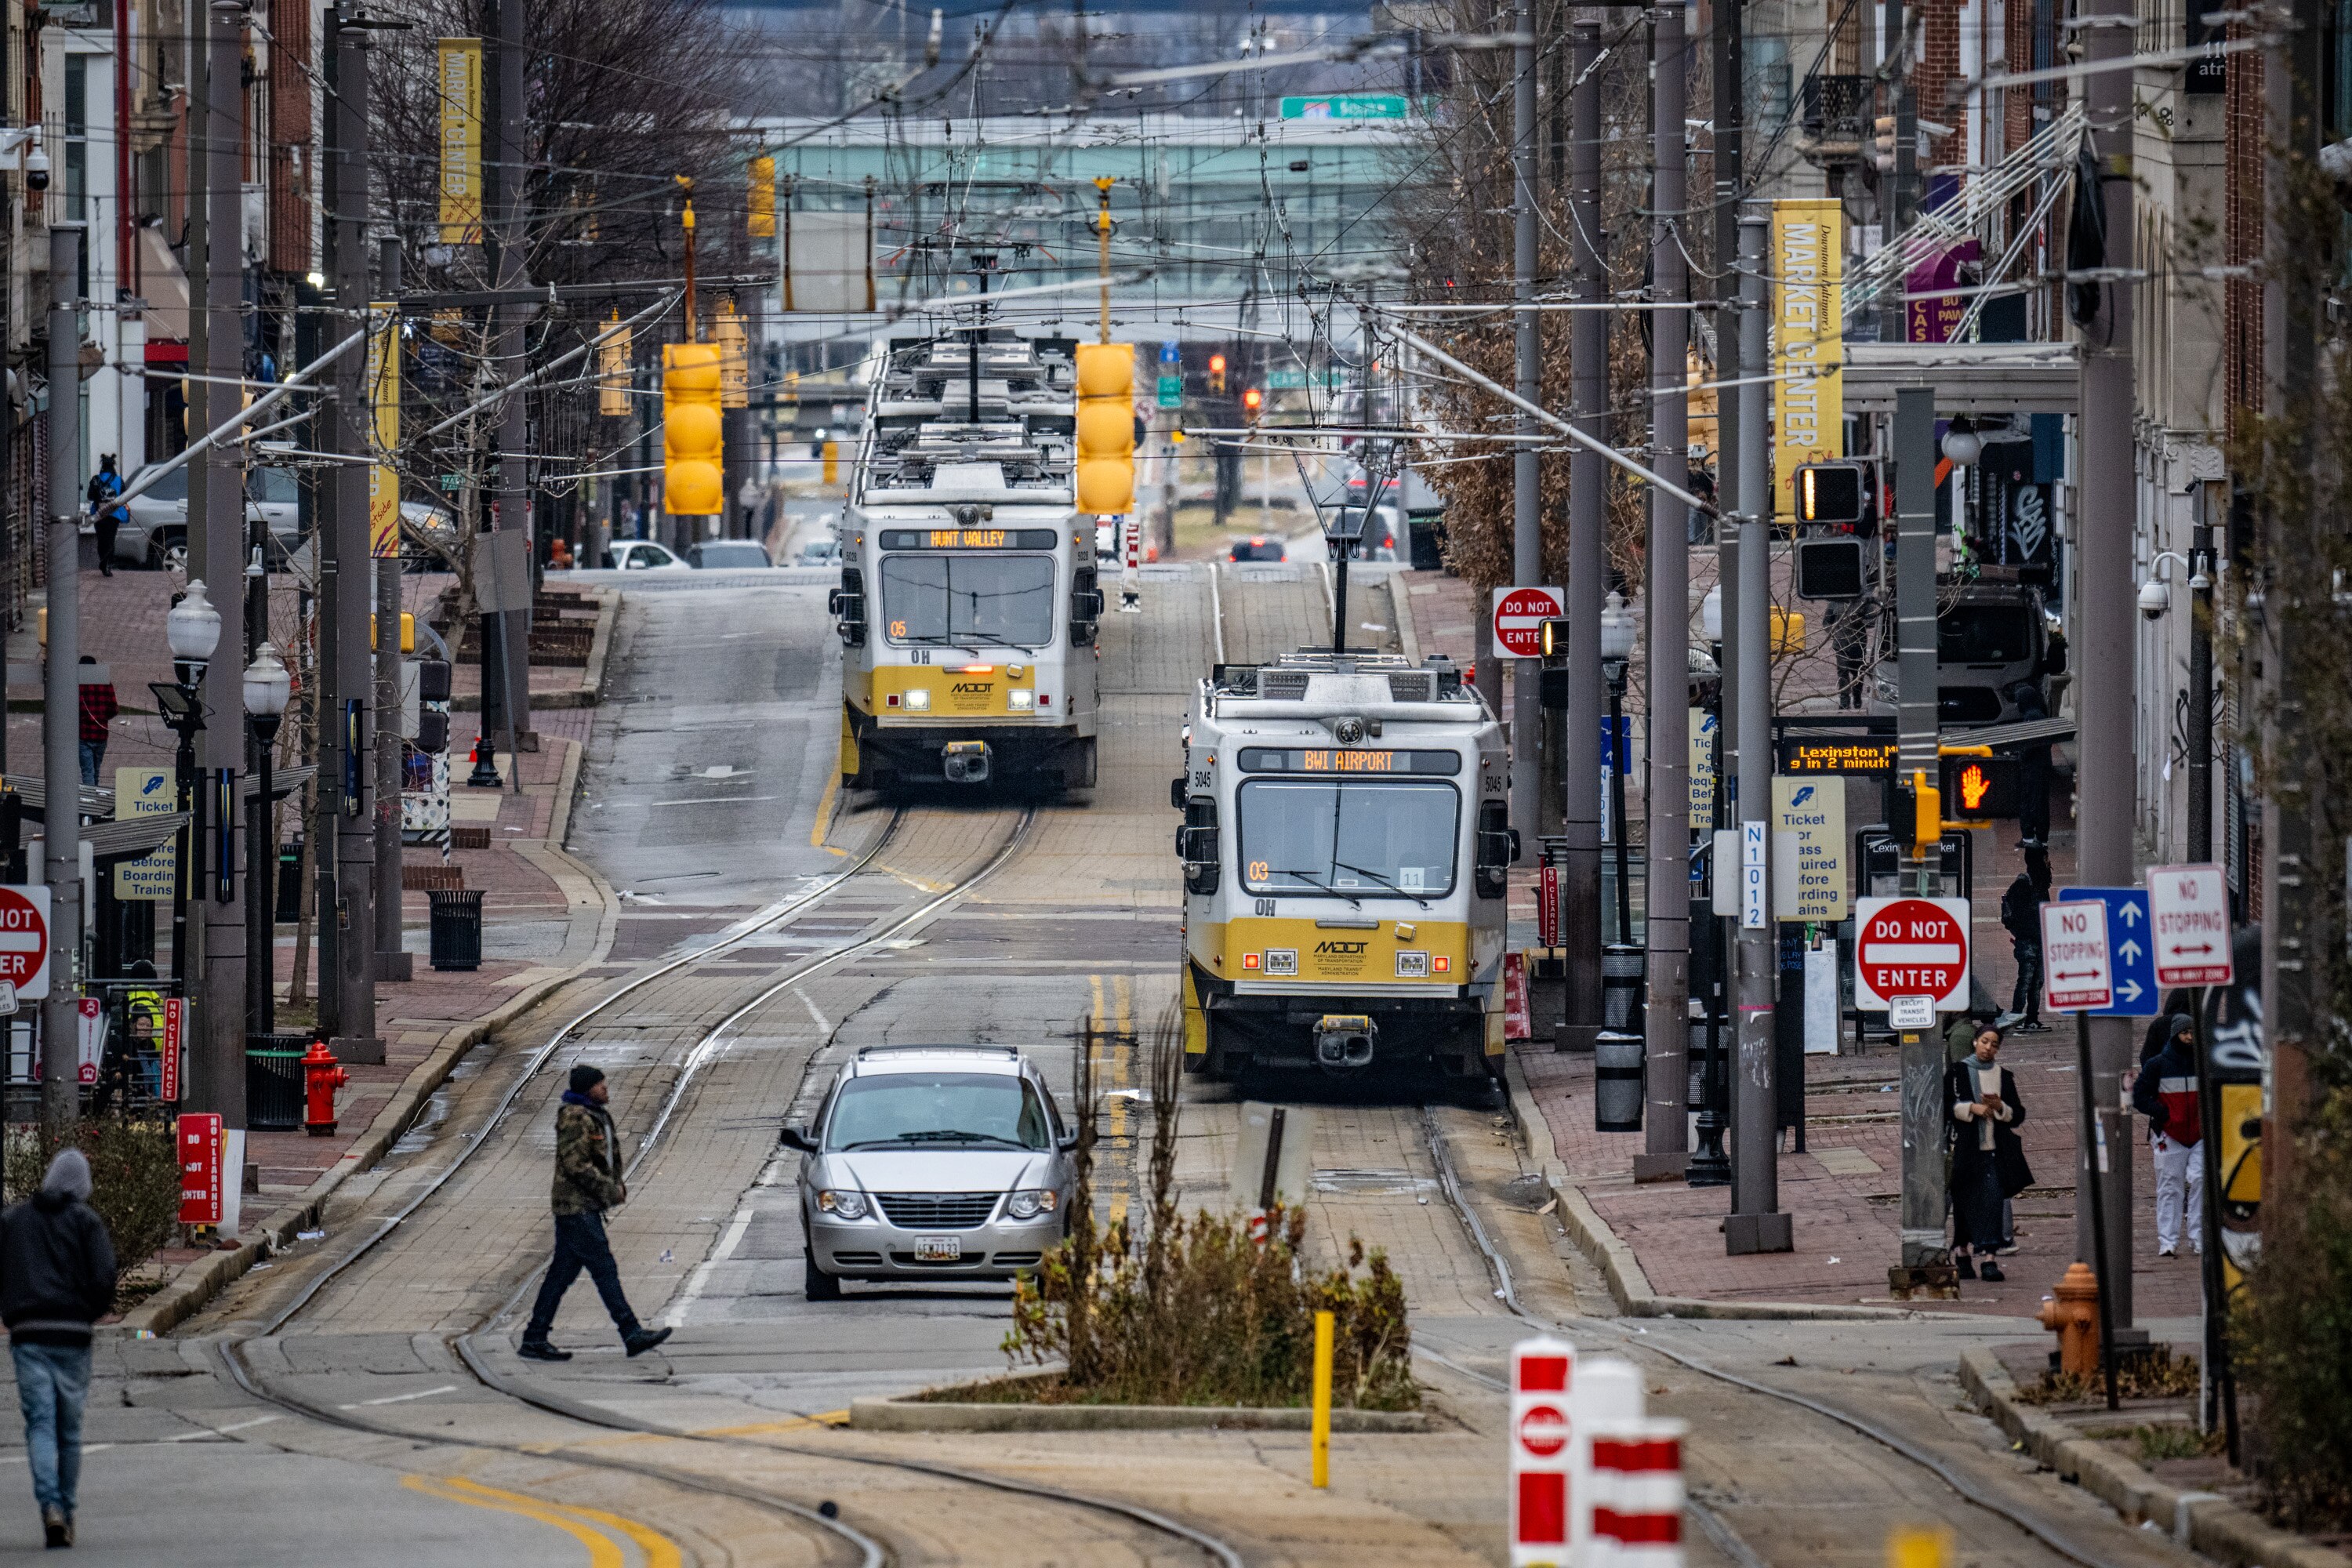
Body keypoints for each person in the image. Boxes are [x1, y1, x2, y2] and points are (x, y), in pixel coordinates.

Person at [1, 1150, 117, 1548]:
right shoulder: (86, 1222)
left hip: (28, 1333)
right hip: (73, 1334)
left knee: (39, 1423)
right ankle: (65, 1511)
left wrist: (12, 1309)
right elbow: (104, 1277)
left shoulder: (13, 1221)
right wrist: (88, 1313)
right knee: (69, 1428)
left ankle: (48, 1505)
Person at [519, 1065, 673, 1362]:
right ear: (587, 1088)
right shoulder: (576, 1117)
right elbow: (576, 1165)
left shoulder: (592, 1114)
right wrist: (609, 1190)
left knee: (560, 1276)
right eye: (601, 1085)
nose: (606, 1089)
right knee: (604, 1270)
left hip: (580, 1207)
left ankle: (535, 1337)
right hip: (578, 1208)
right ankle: (631, 1332)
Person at [1946, 1025, 2031, 1282]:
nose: (1988, 1048)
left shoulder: (2003, 1076)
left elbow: (2017, 1114)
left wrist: (1999, 1108)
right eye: (1984, 1041)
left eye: (1994, 1044)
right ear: (1975, 1042)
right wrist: (1971, 1108)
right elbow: (1945, 1105)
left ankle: (1989, 1259)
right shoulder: (1958, 1072)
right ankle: (1962, 1254)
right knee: (1964, 1203)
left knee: (1994, 1201)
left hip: (1994, 1151)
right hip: (1965, 1150)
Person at [2132, 1012, 2205, 1258]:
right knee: (2169, 1187)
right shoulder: (2158, 1065)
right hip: (2169, 1134)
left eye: (2193, 1033)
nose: (2189, 1038)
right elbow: (2139, 1096)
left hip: (2199, 1134)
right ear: (2176, 1034)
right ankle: (2168, 1240)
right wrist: (2162, 1114)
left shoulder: (2203, 1061)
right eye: (2185, 1033)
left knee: (2200, 1181)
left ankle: (2198, 1238)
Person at [1998, 856, 2049, 1033]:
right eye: (2046, 862)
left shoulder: (2039, 887)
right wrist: (2032, 933)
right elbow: (2022, 917)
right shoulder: (2023, 887)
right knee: (2027, 981)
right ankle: (2018, 1016)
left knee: (2036, 983)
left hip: (2037, 941)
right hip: (2029, 942)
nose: (2050, 866)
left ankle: (2030, 1019)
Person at [75, 659, 116, 789]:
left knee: (88, 771)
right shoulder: (105, 683)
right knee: (96, 769)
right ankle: (95, 793)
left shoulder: (78, 685)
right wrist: (102, 718)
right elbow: (114, 709)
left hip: (83, 733)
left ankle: (90, 797)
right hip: (101, 733)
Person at [85, 456, 124, 579]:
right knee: (110, 539)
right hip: (114, 515)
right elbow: (124, 495)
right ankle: (107, 564)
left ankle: (103, 560)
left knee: (101, 540)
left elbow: (90, 496)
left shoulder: (96, 480)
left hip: (99, 514)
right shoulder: (118, 480)